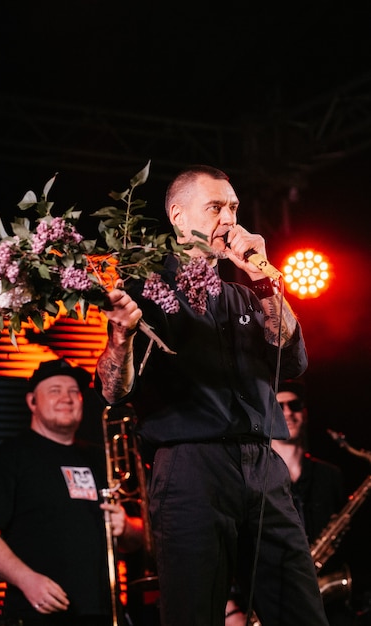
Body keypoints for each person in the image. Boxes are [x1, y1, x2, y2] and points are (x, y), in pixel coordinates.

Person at [95, 164, 329, 626]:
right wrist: (120, 338)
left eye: (235, 207)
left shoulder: (245, 295)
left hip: (262, 467)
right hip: (190, 469)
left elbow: (294, 361)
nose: (229, 218)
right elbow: (112, 390)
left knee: (302, 612)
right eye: (216, 207)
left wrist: (262, 275)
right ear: (179, 217)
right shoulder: (145, 291)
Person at [0, 358, 143, 626]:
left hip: (104, 612)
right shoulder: (10, 456)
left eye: (74, 391)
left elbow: (138, 538)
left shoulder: (101, 457)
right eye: (54, 390)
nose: (67, 398)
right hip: (39, 613)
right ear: (32, 402)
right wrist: (27, 580)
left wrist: (127, 527)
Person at [225, 379, 351, 626]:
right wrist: (230, 611)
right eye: (279, 406)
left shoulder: (330, 476)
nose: (288, 413)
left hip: (328, 607)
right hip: (266, 603)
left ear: (305, 412)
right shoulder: (247, 477)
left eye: (294, 405)